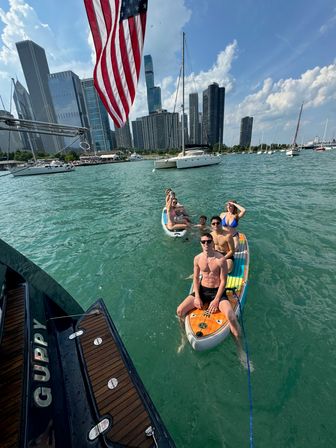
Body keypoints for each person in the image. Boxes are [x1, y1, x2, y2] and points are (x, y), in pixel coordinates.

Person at [176, 233, 240, 338]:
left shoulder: (221, 259)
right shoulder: (197, 258)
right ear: (201, 244)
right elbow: (196, 278)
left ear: (212, 243)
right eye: (203, 242)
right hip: (202, 291)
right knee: (179, 311)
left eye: (209, 241)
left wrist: (216, 300)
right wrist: (197, 297)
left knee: (231, 317)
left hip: (217, 292)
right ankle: (183, 337)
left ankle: (239, 346)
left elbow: (223, 281)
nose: (206, 244)